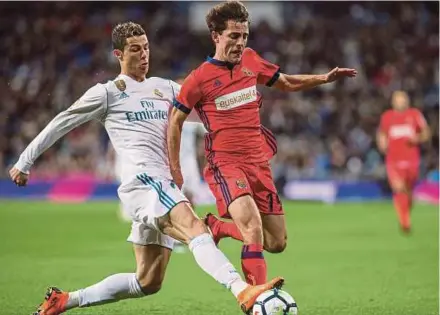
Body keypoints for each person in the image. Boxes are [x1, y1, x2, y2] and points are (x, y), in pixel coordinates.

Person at [8, 22, 283, 315]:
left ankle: (64, 300)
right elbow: (63, 120)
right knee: (195, 228)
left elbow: (208, 109)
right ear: (118, 54)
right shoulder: (108, 93)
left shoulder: (165, 87)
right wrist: (24, 161)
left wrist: (247, 128)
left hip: (163, 185)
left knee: (148, 280)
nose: (143, 55)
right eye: (135, 49)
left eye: (146, 48)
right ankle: (243, 291)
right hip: (144, 182)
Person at [168, 1, 357, 286]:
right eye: (234, 36)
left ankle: (217, 227)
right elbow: (174, 121)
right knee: (252, 227)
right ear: (216, 36)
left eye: (244, 36)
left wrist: (324, 78)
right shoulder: (199, 79)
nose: (240, 42)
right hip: (226, 164)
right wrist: (175, 169)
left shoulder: (251, 60)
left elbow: (287, 83)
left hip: (258, 162)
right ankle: (257, 297)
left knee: (277, 241)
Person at [377, 90, 431, 233]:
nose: (401, 102)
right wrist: (382, 143)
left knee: (408, 191)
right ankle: (404, 221)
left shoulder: (414, 115)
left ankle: (406, 211)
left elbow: (426, 133)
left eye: (403, 99)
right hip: (393, 159)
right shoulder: (387, 117)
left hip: (412, 159)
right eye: (398, 99)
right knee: (398, 187)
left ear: (407, 101)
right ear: (393, 101)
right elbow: (382, 134)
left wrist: (417, 138)